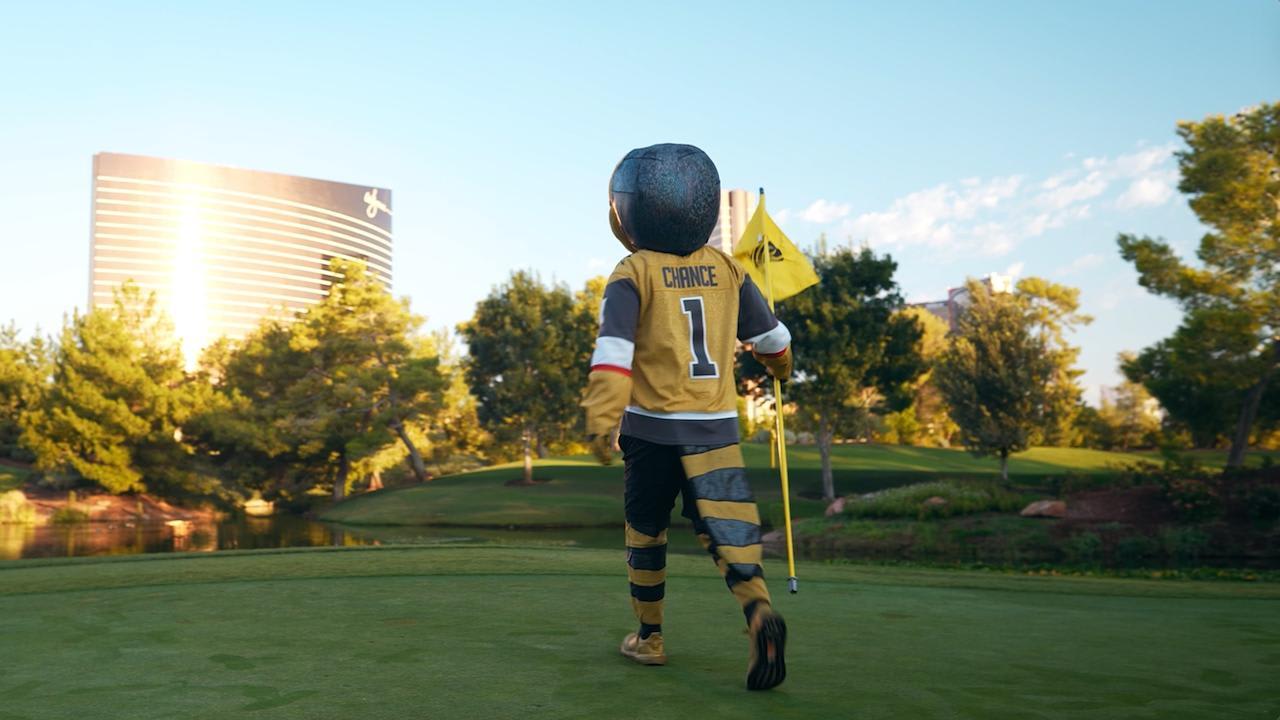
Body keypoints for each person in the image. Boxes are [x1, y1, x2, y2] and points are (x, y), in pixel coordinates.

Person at [581, 143, 793, 691]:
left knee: (646, 530)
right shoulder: (728, 268)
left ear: (627, 211)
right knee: (726, 526)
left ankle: (649, 638)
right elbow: (772, 339)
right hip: (715, 428)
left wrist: (602, 413)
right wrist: (783, 367)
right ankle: (759, 613)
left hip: (651, 432)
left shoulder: (633, 270)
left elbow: (614, 348)